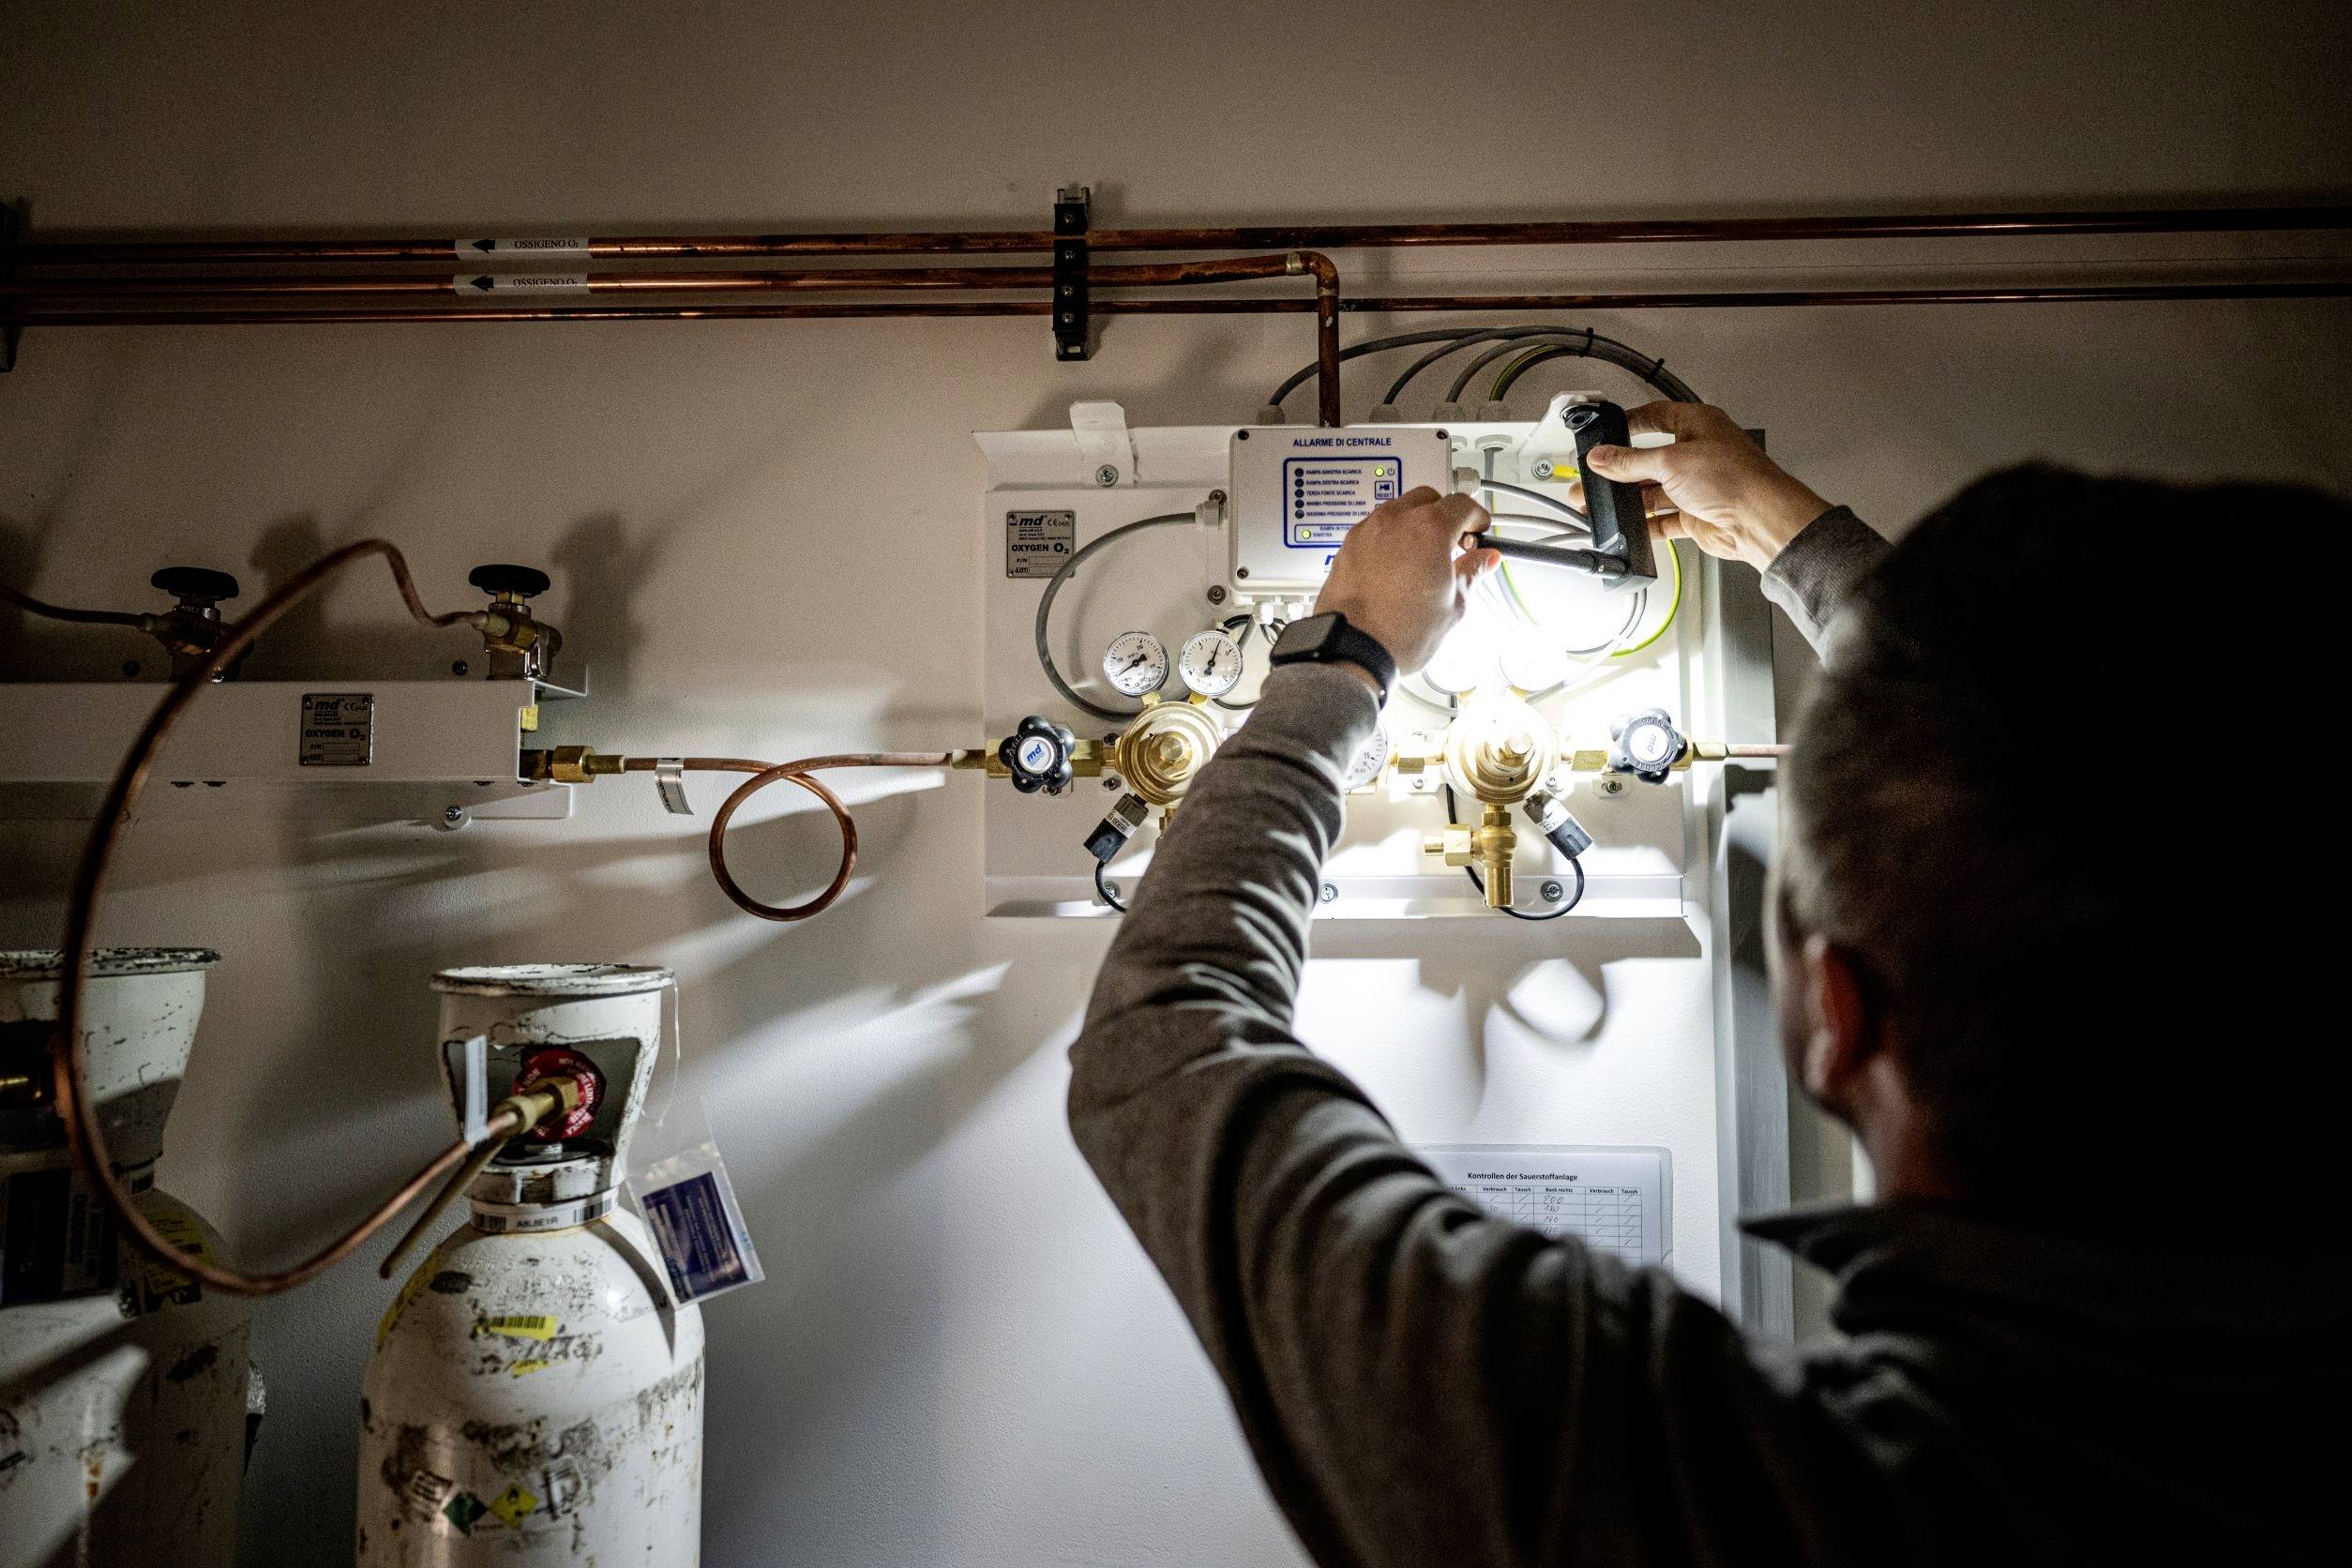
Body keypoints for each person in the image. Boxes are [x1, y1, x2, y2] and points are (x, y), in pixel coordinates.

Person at [1064, 402, 2344, 1566]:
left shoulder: (1671, 1479)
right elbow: (2118, 759)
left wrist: (1342, 659)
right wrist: (1792, 536)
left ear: (1839, 1018)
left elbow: (1158, 1039)